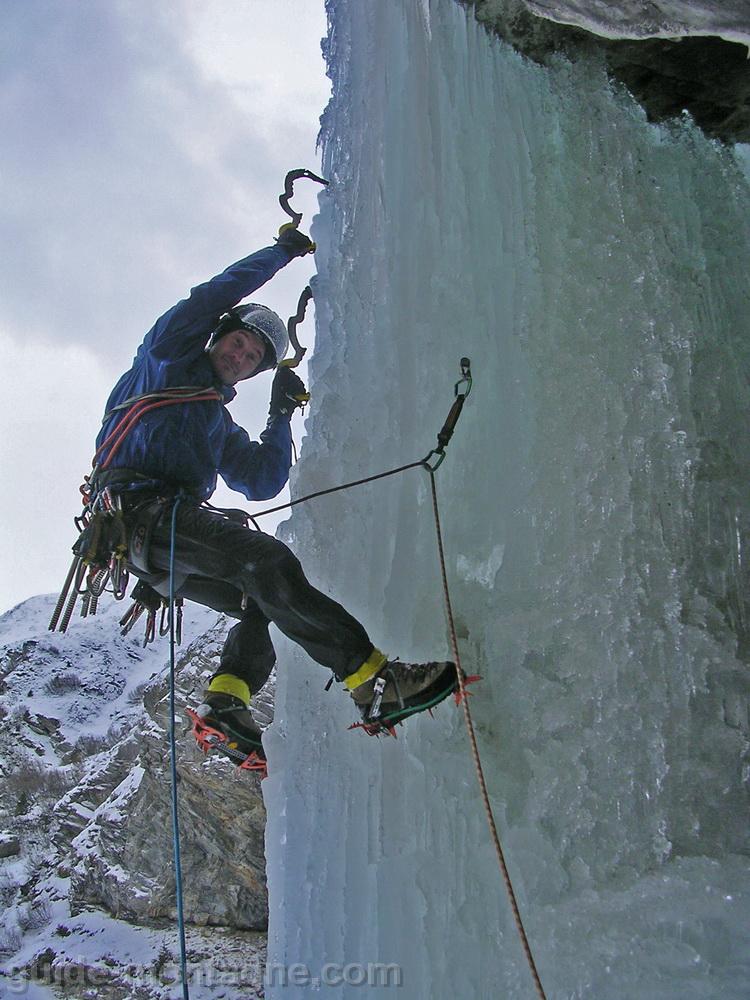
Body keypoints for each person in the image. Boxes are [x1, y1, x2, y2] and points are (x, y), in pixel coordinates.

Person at [91, 225, 457, 762]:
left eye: (254, 356)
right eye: (239, 341)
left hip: (155, 536)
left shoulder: (213, 420)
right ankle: (375, 681)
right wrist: (282, 254)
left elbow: (262, 479)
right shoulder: (167, 357)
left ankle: (225, 703)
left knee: (257, 598)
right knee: (267, 561)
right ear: (217, 337)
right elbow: (212, 295)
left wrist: (280, 414)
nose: (242, 355)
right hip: (142, 514)